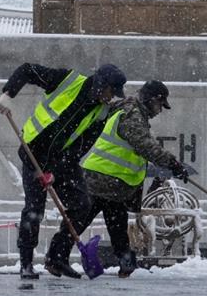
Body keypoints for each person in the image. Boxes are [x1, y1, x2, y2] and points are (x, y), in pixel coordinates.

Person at [45, 80, 190, 279]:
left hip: (114, 183)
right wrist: (173, 164)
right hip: (101, 179)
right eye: (159, 105)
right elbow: (144, 145)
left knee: (115, 223)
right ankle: (57, 259)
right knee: (81, 220)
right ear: (150, 99)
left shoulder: (131, 112)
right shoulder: (132, 114)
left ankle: (124, 262)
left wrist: (173, 166)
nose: (159, 111)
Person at [0, 63, 127, 280]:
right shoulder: (68, 80)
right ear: (101, 85)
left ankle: (57, 257)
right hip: (33, 153)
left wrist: (55, 172)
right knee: (34, 209)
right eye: (110, 92)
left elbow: (82, 146)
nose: (111, 98)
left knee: (82, 205)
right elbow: (28, 70)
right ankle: (26, 263)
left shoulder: (102, 112)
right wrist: (9, 93)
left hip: (62, 160)